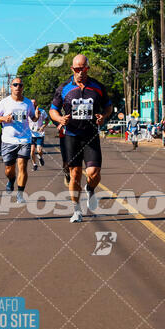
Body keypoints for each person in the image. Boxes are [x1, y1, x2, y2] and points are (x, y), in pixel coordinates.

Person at [49, 54, 113, 223]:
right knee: (75, 173)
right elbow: (53, 110)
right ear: (72, 69)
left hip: (90, 135)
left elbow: (108, 106)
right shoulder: (64, 88)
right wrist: (59, 119)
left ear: (87, 68)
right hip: (71, 135)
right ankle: (76, 210)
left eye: (82, 69)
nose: (79, 72)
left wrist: (103, 117)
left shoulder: (97, 87)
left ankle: (90, 188)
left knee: (94, 173)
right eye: (76, 69)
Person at [0, 77, 39, 204]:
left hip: (24, 139)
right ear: (11, 87)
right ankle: (11, 180)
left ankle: (20, 194)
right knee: (9, 169)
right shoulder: (4, 102)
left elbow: (33, 119)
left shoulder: (28, 103)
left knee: (22, 166)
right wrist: (4, 119)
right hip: (8, 140)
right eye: (15, 85)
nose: (18, 87)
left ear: (22, 87)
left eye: (20, 85)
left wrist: (36, 116)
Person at [29, 99, 49, 171]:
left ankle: (40, 157)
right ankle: (34, 164)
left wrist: (43, 126)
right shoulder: (28, 112)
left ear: (36, 103)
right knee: (32, 151)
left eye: (34, 103)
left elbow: (47, 120)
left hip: (40, 133)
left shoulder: (42, 111)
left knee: (39, 150)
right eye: (31, 103)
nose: (33, 104)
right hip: (31, 134)